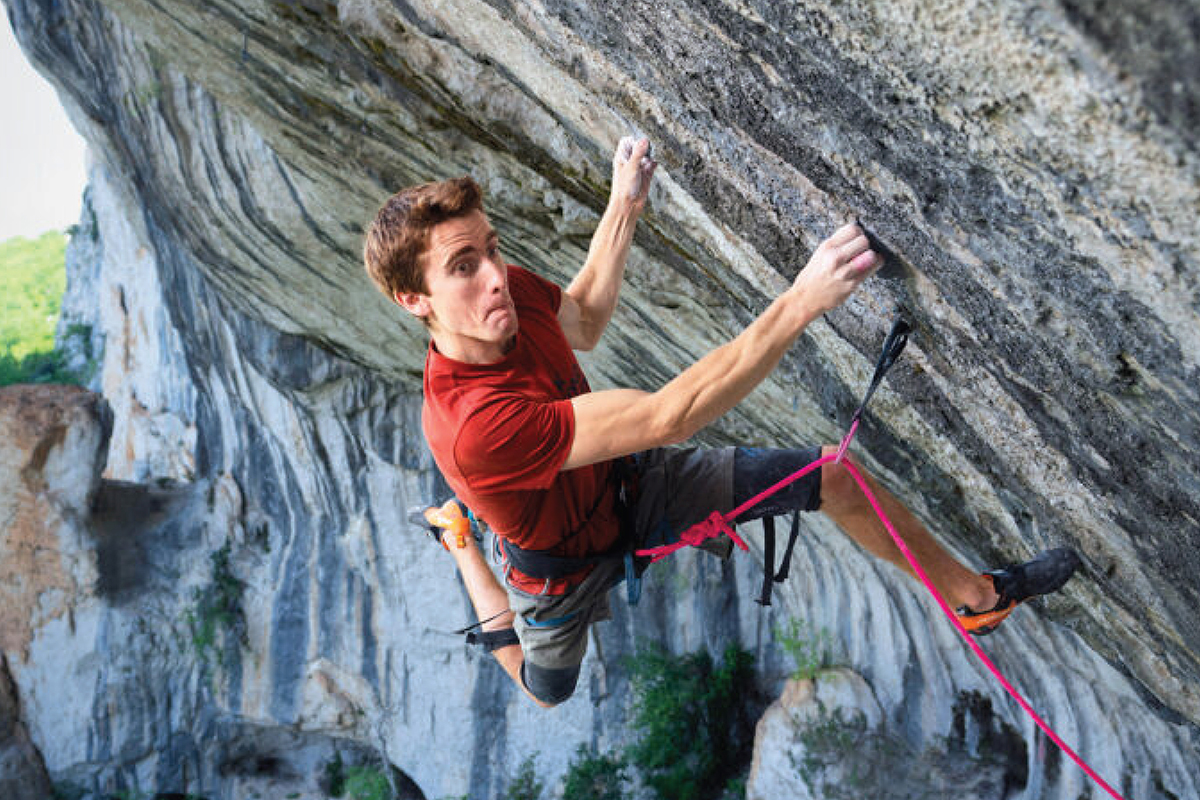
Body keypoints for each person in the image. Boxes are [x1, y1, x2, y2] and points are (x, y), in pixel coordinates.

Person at [362, 138, 1079, 708]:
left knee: (832, 475)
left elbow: (581, 317)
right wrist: (800, 301)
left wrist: (624, 206)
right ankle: (462, 546)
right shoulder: (475, 425)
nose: (493, 272)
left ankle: (976, 600)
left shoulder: (507, 291)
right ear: (411, 300)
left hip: (626, 487)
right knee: (547, 689)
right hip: (558, 571)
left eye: (491, 246)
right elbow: (669, 414)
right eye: (463, 265)